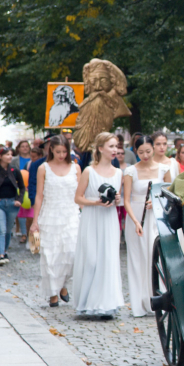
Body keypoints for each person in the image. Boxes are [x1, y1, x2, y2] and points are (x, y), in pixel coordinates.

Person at [72, 132, 125, 319]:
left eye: (116, 146)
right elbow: (78, 197)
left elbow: (118, 200)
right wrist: (96, 202)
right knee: (92, 259)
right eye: (111, 146)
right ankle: (85, 302)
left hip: (109, 220)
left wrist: (117, 199)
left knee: (108, 259)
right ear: (100, 148)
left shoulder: (119, 173)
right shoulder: (88, 171)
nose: (115, 150)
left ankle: (106, 305)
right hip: (91, 218)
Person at [122, 135, 171, 317]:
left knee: (155, 256)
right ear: (136, 151)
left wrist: (157, 201)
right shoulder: (130, 171)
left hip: (156, 215)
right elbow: (126, 200)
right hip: (136, 215)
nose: (145, 155)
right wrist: (135, 221)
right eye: (141, 152)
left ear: (153, 149)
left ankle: (159, 298)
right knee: (137, 259)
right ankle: (140, 303)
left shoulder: (164, 169)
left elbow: (169, 193)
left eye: (148, 151)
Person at [29, 135, 80, 308]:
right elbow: (39, 195)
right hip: (50, 215)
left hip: (71, 215)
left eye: (65, 151)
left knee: (72, 254)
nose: (61, 155)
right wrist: (35, 221)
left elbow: (80, 194)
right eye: (58, 151)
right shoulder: (43, 168)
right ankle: (53, 293)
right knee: (51, 256)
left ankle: (63, 284)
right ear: (51, 150)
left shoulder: (76, 168)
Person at [0, 147, 26, 266]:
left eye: (11, 154)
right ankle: (0, 254)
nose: (10, 157)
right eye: (7, 154)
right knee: (1, 229)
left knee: (8, 230)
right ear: (0, 156)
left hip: (12, 204)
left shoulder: (15, 171)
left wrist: (19, 199)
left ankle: (5, 250)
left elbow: (22, 187)